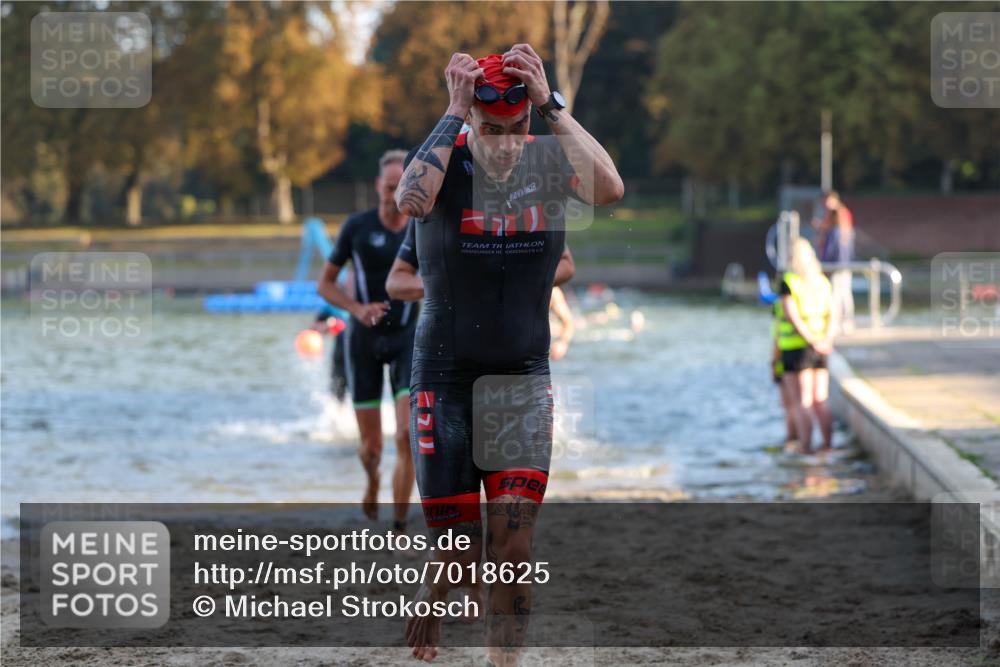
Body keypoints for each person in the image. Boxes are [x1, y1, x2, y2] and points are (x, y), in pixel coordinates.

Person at [387, 45, 623, 665]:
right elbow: (408, 204)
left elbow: (610, 188)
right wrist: (452, 112)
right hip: (445, 379)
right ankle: (438, 581)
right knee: (462, 555)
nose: (506, 145)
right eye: (492, 131)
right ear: (471, 123)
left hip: (522, 378)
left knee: (514, 550)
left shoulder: (547, 163)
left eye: (517, 130)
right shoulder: (444, 165)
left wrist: (551, 107)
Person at [317, 149, 418, 530]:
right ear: (378, 186)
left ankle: (400, 522)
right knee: (372, 447)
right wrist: (357, 309)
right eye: (387, 188)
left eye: (399, 188)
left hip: (408, 337)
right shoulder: (357, 227)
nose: (393, 196)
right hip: (362, 341)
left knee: (407, 435)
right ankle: (373, 479)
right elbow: (325, 285)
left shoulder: (420, 228)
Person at [777, 238, 837, 454]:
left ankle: (806, 446)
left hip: (797, 347)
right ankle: (828, 444)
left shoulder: (789, 281)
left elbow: (792, 316)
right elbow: (833, 313)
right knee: (821, 399)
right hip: (821, 345)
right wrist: (825, 340)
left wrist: (810, 340)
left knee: (802, 401)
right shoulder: (822, 281)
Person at [814, 190, 855, 334]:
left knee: (837, 294)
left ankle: (840, 322)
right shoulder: (842, 231)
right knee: (843, 293)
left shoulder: (837, 227)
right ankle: (846, 322)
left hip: (836, 265)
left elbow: (831, 249)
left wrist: (826, 264)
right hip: (843, 264)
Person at [770, 297, 798, 446]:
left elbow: (777, 343)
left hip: (787, 359)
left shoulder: (780, 318)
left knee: (790, 405)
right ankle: (799, 440)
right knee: (804, 402)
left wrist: (774, 365)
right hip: (812, 352)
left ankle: (793, 439)